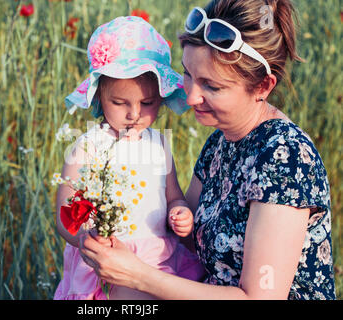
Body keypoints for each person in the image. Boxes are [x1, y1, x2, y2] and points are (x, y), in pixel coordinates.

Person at [80, 0, 336, 300]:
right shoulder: (221, 141)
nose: (190, 97)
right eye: (188, 74)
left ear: (263, 87)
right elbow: (186, 238)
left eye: (211, 86)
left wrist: (137, 275)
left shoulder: (285, 158)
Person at [54, 16, 205, 300]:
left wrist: (180, 212)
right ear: (99, 97)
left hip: (155, 258)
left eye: (146, 103)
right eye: (120, 103)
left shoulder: (159, 145)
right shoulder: (88, 146)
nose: (134, 114)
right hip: (105, 259)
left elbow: (173, 196)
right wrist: (85, 239)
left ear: (161, 99)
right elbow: (65, 211)